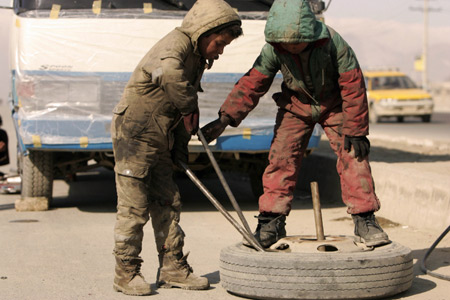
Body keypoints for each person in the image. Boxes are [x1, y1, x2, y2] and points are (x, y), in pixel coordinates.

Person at [201, 0, 390, 249]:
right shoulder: (274, 49)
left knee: (353, 156)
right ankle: (271, 222)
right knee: (280, 159)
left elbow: (353, 86)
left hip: (335, 107)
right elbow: (253, 84)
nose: (289, 47)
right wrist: (225, 119)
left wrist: (356, 131)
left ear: (310, 35)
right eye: (284, 44)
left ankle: (365, 220)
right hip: (295, 107)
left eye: (295, 42)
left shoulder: (335, 44)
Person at [111, 0, 242, 296]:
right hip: (135, 134)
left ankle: (172, 268)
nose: (219, 52)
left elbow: (183, 113)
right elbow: (170, 77)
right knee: (134, 208)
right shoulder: (177, 43)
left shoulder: (196, 57)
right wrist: (187, 106)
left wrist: (180, 148)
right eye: (219, 44)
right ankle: (126, 273)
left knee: (168, 201)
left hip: (160, 136)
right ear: (205, 32)